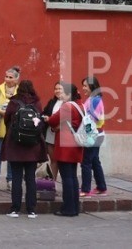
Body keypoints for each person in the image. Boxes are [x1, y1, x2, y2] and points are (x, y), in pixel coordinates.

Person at [2, 79, 47, 218]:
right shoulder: (37, 102)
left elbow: (6, 119)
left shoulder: (14, 102)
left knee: (16, 178)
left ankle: (15, 209)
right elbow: (40, 121)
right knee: (30, 178)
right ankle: (31, 209)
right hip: (32, 146)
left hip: (16, 145)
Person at [45, 83, 84, 218]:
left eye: (63, 93)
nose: (60, 95)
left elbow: (53, 120)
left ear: (69, 94)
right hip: (76, 144)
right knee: (72, 176)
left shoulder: (67, 106)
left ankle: (68, 208)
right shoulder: (80, 106)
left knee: (67, 177)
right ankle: (74, 207)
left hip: (65, 145)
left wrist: (51, 121)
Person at [0, 66, 19, 192]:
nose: (7, 79)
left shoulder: (19, 90)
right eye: (6, 76)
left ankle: (10, 180)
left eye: (10, 77)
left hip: (12, 127)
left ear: (16, 79)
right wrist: (0, 111)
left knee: (11, 155)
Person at [79, 76, 108, 196]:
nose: (83, 88)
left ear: (92, 86)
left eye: (85, 86)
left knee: (86, 161)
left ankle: (85, 190)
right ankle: (101, 187)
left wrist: (86, 133)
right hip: (97, 134)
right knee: (95, 161)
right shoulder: (93, 99)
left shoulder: (94, 100)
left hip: (93, 135)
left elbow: (92, 119)